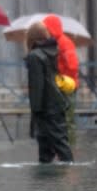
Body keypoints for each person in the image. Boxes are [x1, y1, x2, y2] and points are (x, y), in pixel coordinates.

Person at [25, 21, 73, 164]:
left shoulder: (35, 56)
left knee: (58, 147)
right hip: (55, 104)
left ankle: (70, 178)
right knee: (49, 147)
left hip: (46, 109)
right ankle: (49, 182)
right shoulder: (51, 52)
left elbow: (37, 86)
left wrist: (35, 110)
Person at [42, 15, 80, 146]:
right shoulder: (52, 43)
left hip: (67, 86)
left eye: (46, 28)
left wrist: (58, 72)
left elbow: (72, 66)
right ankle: (62, 147)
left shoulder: (64, 43)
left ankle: (70, 148)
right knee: (59, 119)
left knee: (68, 120)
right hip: (59, 85)